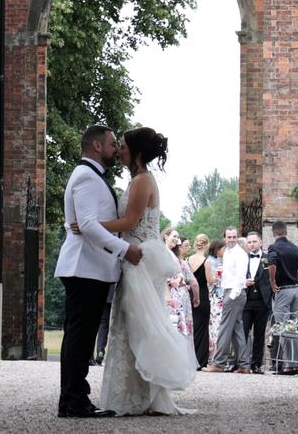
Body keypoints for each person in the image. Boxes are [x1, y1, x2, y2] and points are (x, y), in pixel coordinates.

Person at [78, 127, 197, 415]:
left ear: (137, 152)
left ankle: (141, 395)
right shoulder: (138, 180)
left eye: (122, 146)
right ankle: (137, 393)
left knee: (138, 323)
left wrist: (88, 224)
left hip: (138, 260)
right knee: (132, 323)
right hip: (133, 257)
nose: (118, 150)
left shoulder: (142, 181)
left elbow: (130, 222)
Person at [55, 124, 143, 419]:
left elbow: (90, 224)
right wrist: (124, 250)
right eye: (112, 144)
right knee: (79, 337)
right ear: (96, 146)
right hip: (84, 267)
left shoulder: (90, 175)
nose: (116, 149)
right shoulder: (86, 176)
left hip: (90, 267)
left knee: (81, 336)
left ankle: (73, 399)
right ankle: (73, 400)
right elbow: (89, 225)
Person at [265, 221, 298, 374]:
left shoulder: (274, 248)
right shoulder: (295, 249)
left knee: (282, 327)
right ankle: (294, 363)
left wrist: (272, 281)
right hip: (295, 290)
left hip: (282, 291)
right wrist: (293, 273)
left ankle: (287, 365)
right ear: (285, 232)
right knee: (293, 327)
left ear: (274, 233)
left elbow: (272, 264)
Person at [203, 226, 248, 373]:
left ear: (237, 237)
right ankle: (244, 365)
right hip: (228, 291)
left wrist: (232, 296)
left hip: (235, 293)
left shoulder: (240, 254)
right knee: (236, 330)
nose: (232, 240)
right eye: (229, 237)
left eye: (234, 237)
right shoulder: (227, 252)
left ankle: (218, 363)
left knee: (224, 329)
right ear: (225, 238)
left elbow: (241, 277)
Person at [241, 231, 272, 373]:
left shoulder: (268, 259)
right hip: (246, 301)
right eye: (249, 242)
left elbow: (273, 277)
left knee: (259, 334)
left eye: (254, 241)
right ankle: (242, 363)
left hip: (262, 301)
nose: (252, 244)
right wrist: (243, 282)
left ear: (260, 242)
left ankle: (256, 364)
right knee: (243, 332)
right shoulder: (242, 258)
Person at [162, 230, 197, 342]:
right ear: (166, 236)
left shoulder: (173, 255)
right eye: (174, 236)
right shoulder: (162, 252)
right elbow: (158, 272)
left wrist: (178, 279)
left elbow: (180, 273)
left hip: (175, 295)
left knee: (177, 328)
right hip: (165, 293)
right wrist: (170, 281)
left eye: (177, 237)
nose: (176, 239)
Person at [186, 234, 214, 369]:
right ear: (207, 245)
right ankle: (200, 361)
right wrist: (218, 276)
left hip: (190, 294)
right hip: (202, 295)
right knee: (202, 329)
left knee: (192, 327)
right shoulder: (207, 262)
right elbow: (210, 281)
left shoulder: (188, 259)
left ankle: (189, 359)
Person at [205, 239, 225, 360]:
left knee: (220, 323)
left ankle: (219, 353)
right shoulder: (210, 261)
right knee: (215, 324)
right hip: (215, 295)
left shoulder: (220, 261)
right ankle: (213, 354)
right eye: (223, 249)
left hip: (221, 295)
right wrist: (220, 275)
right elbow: (210, 280)